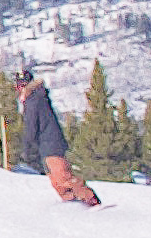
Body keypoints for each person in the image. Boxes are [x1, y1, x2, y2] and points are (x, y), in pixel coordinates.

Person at [19, 73, 102, 206]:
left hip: (51, 145)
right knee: (57, 181)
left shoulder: (33, 100)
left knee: (63, 177)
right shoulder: (38, 97)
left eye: (19, 86)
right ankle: (72, 202)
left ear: (23, 86)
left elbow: (31, 127)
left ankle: (90, 199)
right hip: (48, 146)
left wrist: (26, 149)